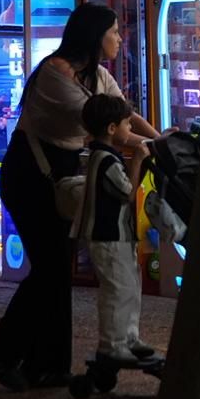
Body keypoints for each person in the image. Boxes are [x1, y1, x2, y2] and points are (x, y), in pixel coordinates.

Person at [0, 3, 159, 391]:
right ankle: (2, 354)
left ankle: (47, 366)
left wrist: (161, 139)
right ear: (94, 37)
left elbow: (125, 114)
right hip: (31, 176)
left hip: (58, 175)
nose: (119, 38)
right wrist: (158, 149)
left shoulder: (97, 76)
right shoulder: (55, 76)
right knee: (50, 270)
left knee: (56, 271)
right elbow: (115, 131)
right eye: (113, 32)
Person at [78, 93, 156, 365]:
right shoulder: (106, 160)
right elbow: (126, 192)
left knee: (130, 287)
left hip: (118, 236)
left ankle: (129, 337)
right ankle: (112, 344)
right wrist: (137, 161)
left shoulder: (104, 155)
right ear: (112, 129)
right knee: (117, 290)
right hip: (108, 236)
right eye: (127, 125)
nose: (130, 130)